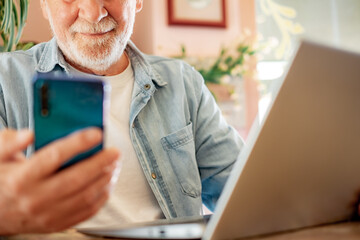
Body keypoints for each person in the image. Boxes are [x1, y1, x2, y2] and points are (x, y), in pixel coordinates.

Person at [0, 0, 243, 235]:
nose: (93, 13)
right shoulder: (4, 83)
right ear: (44, 4)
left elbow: (246, 192)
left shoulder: (183, 82)